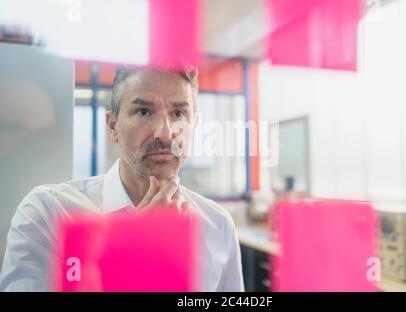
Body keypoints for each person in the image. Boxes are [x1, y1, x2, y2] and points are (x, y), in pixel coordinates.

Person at [0, 63, 245, 292]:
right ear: (112, 125)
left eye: (179, 113)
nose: (165, 132)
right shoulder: (49, 212)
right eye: (144, 111)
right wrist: (132, 254)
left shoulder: (218, 225)